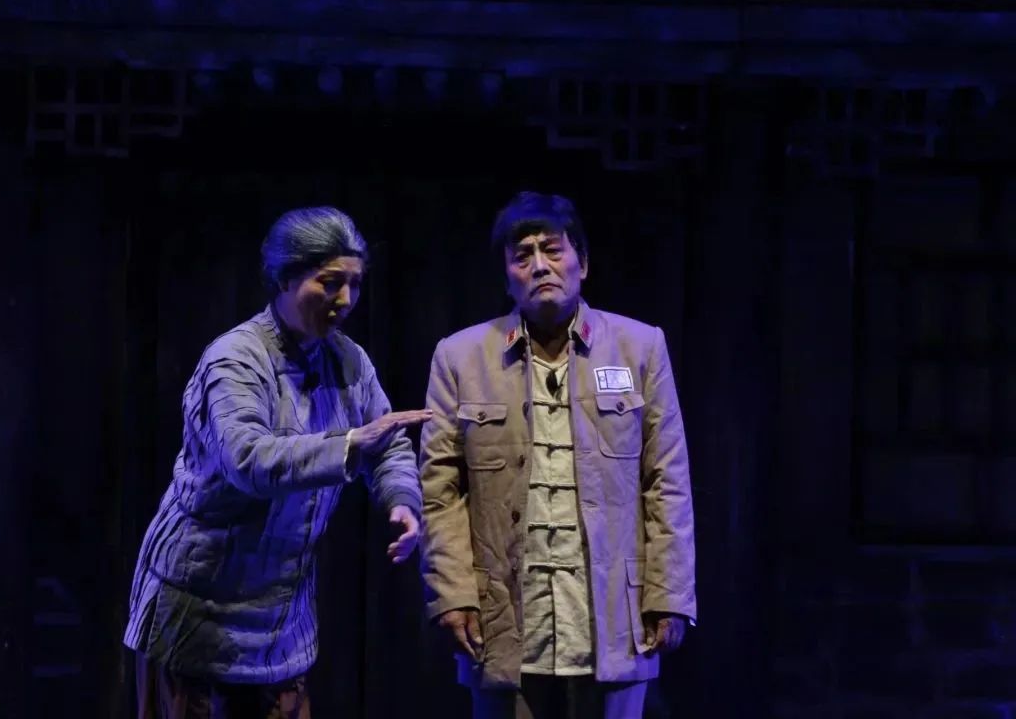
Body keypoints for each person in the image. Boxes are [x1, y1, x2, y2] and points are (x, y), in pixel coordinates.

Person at [124, 206, 430, 719]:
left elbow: (388, 442)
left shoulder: (347, 360)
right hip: (199, 613)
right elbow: (250, 459)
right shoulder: (236, 359)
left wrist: (401, 498)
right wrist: (350, 444)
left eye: (354, 284)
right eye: (329, 283)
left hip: (281, 620)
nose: (345, 300)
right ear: (286, 278)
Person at [419, 191, 696, 718]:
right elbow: (440, 491)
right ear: (507, 277)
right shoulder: (460, 358)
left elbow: (667, 480)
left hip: (615, 619)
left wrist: (670, 595)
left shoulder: (640, 348)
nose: (540, 265)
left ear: (582, 262)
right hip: (502, 621)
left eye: (552, 249)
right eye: (522, 256)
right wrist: (451, 594)